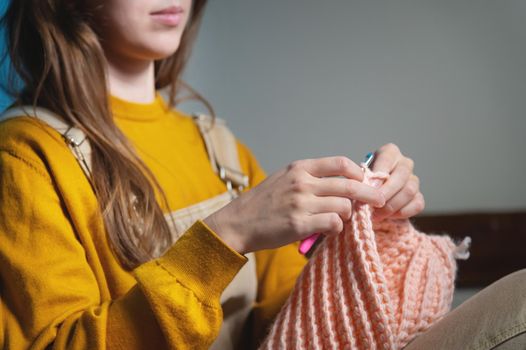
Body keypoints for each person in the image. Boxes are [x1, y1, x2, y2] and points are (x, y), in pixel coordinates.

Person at [0, 1, 427, 349]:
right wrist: (225, 238)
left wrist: (373, 227)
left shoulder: (220, 147)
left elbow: (288, 324)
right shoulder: (26, 156)